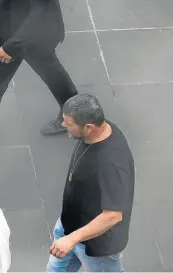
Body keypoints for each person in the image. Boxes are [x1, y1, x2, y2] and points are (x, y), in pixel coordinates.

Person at [0, 0, 78, 140]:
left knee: (50, 70)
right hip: (9, 26)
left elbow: (40, 13)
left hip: (34, 35)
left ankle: (75, 111)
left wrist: (11, 47)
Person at [46, 94, 135, 272]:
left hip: (97, 247)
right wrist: (68, 236)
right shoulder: (97, 129)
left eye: (68, 124)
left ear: (88, 127)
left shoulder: (111, 164)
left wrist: (72, 239)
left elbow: (113, 215)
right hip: (68, 227)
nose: (63, 126)